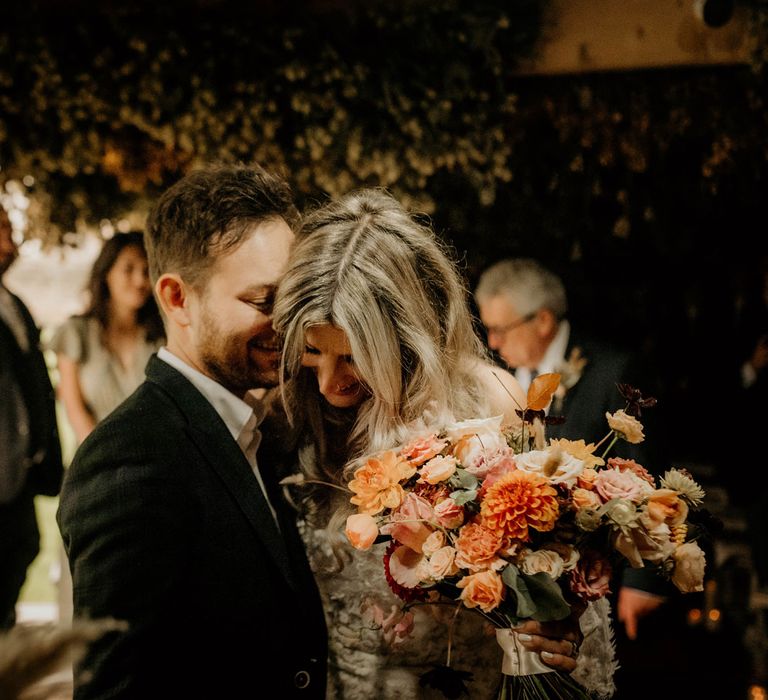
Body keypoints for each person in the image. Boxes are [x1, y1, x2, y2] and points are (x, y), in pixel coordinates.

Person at [268, 189, 617, 699]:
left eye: (353, 358)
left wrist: (550, 625)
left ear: (405, 337)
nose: (326, 383)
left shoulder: (489, 399)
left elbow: (548, 566)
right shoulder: (289, 417)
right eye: (311, 353)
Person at [56, 163, 328, 699]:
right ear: (177, 298)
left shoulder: (257, 425)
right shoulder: (129, 459)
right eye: (261, 301)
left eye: (294, 300)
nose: (288, 323)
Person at [48, 231, 164, 624]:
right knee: (91, 585)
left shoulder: (161, 336)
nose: (139, 280)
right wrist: (109, 463)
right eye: (128, 269)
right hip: (93, 473)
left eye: (147, 270)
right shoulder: (76, 333)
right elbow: (74, 407)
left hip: (154, 476)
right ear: (105, 275)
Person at [0, 203, 63, 630]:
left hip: (16, 475)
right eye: (2, 228)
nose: (12, 238)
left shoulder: (13, 304)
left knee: (22, 550)